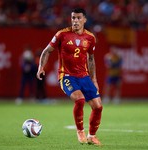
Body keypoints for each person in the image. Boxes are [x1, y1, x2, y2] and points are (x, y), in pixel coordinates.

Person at [37, 8, 103, 145]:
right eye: (73, 18)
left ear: (85, 20)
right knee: (80, 100)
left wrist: (94, 79)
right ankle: (80, 131)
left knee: (98, 106)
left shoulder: (90, 38)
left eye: (78, 18)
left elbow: (91, 59)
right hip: (66, 76)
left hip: (84, 77)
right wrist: (40, 67)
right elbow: (46, 51)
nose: (75, 21)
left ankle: (92, 136)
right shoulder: (62, 34)